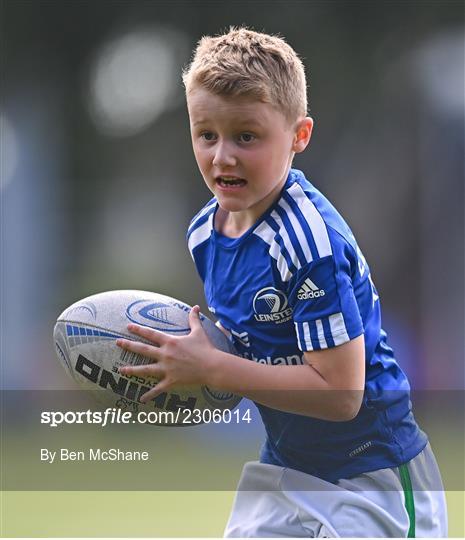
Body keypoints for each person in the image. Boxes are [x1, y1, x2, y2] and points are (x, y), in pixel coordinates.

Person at [117, 27, 447, 538]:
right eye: (206, 134)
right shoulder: (205, 232)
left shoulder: (308, 244)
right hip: (287, 469)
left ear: (299, 136)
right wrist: (195, 357)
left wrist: (215, 369)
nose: (222, 155)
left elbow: (342, 394)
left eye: (246, 136)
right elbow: (248, 346)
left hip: (371, 476)